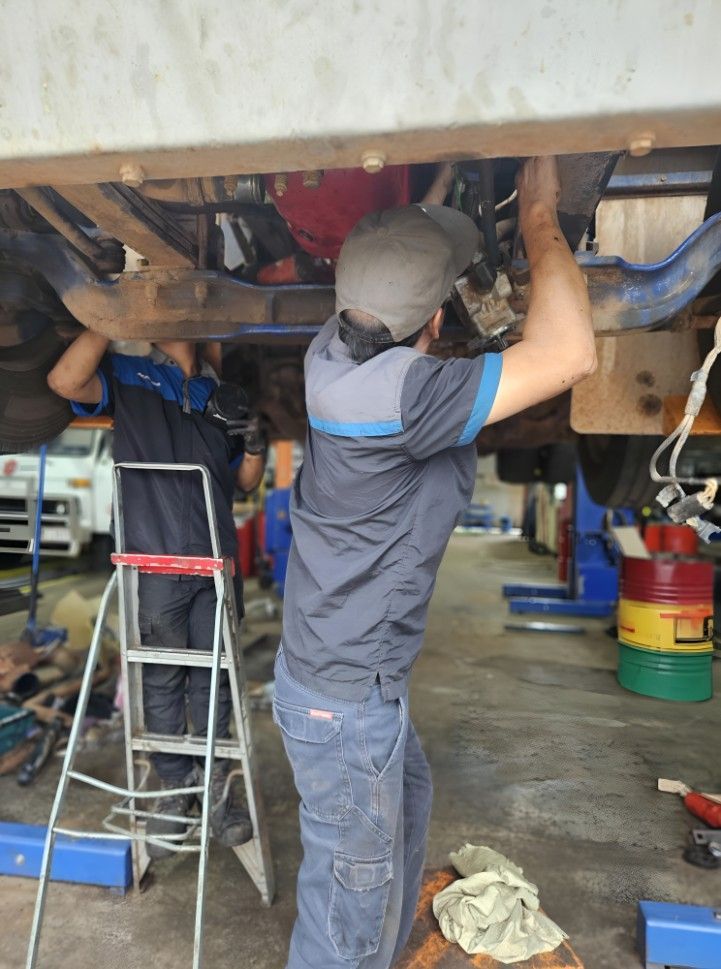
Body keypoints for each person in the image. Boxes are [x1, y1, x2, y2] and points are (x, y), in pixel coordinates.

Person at [273, 156, 596, 969]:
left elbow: (395, 279)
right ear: (431, 323)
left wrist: (440, 184)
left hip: (337, 681)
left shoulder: (331, 351)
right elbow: (569, 354)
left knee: (403, 807)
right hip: (345, 703)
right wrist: (538, 216)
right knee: (345, 900)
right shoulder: (404, 398)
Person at [48, 335, 266, 856]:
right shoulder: (130, 375)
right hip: (156, 562)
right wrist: (109, 318)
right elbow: (64, 382)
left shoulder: (218, 393)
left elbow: (243, 480)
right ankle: (174, 790)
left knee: (212, 681)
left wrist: (256, 443)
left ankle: (215, 790)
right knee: (163, 680)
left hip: (214, 564)